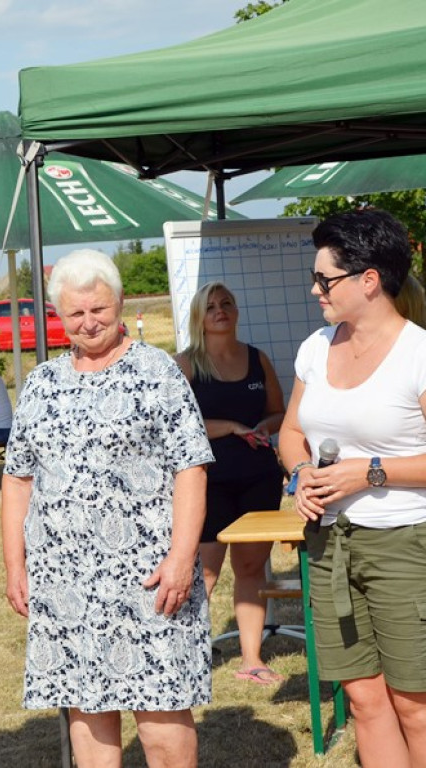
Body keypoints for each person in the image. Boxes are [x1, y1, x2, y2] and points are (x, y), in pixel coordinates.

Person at [1, 249, 213, 768]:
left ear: (119, 304)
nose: (89, 322)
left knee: (162, 717)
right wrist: (14, 564)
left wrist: (182, 558)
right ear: (58, 316)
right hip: (64, 579)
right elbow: (16, 478)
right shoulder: (41, 384)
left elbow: (192, 467)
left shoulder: (157, 370)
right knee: (88, 719)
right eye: (76, 314)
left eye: (99, 309)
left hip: (149, 576)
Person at [279, 209, 426, 768]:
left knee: (414, 703)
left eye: (325, 279)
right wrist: (299, 476)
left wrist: (369, 472)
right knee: (364, 699)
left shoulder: (418, 353)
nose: (314, 288)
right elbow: (291, 432)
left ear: (369, 280)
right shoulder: (316, 347)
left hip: (406, 545)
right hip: (329, 545)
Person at [174, 282, 286, 685]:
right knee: (203, 571)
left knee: (251, 566)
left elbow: (279, 414)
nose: (220, 310)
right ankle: (185, 657)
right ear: (199, 317)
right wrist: (229, 427)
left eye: (227, 304)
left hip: (259, 477)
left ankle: (251, 659)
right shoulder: (185, 365)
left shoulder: (258, 359)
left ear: (236, 312)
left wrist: (260, 427)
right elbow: (174, 427)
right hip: (207, 481)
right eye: (211, 306)